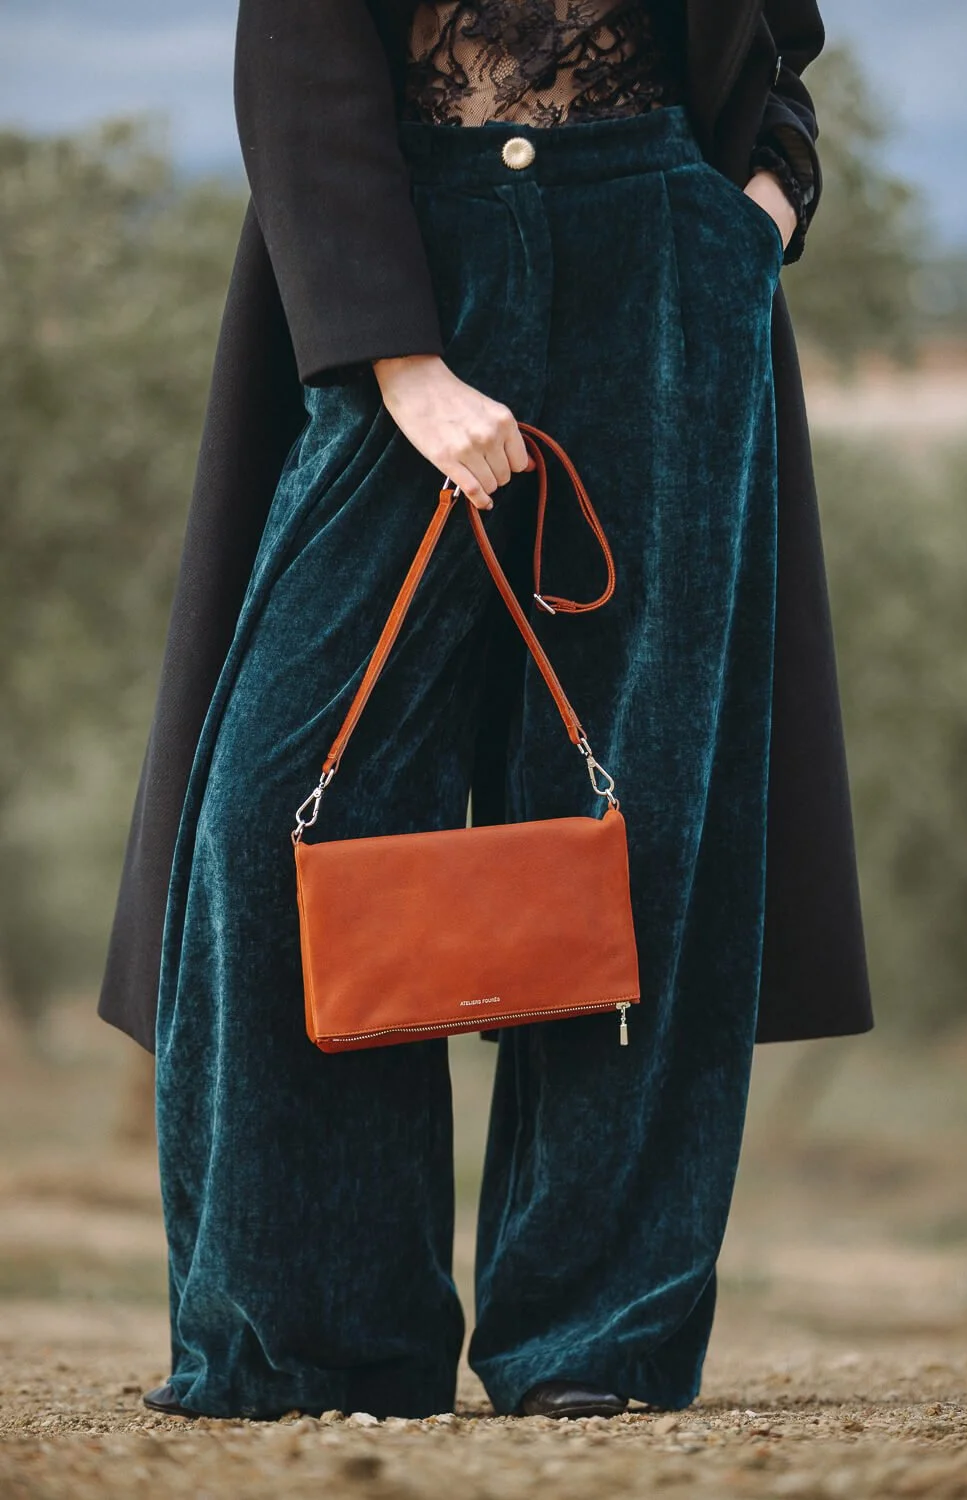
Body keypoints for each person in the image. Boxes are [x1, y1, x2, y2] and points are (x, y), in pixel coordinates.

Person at [100, 0, 873, 1422]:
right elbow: (298, 50)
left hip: (660, 255)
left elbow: (776, 33)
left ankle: (597, 1343)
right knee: (282, 802)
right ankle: (313, 1337)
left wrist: (758, 210)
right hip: (410, 251)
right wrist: (397, 356)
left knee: (640, 821)